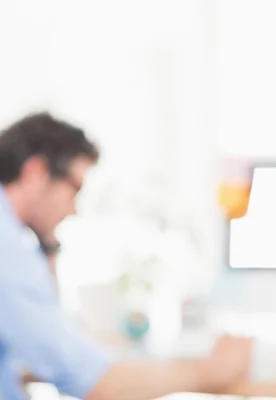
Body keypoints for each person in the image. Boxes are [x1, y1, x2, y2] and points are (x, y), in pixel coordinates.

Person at [0, 112, 251, 400]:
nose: (74, 210)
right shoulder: (7, 250)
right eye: (75, 189)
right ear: (35, 173)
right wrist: (213, 371)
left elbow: (41, 349)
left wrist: (48, 246)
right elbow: (97, 383)